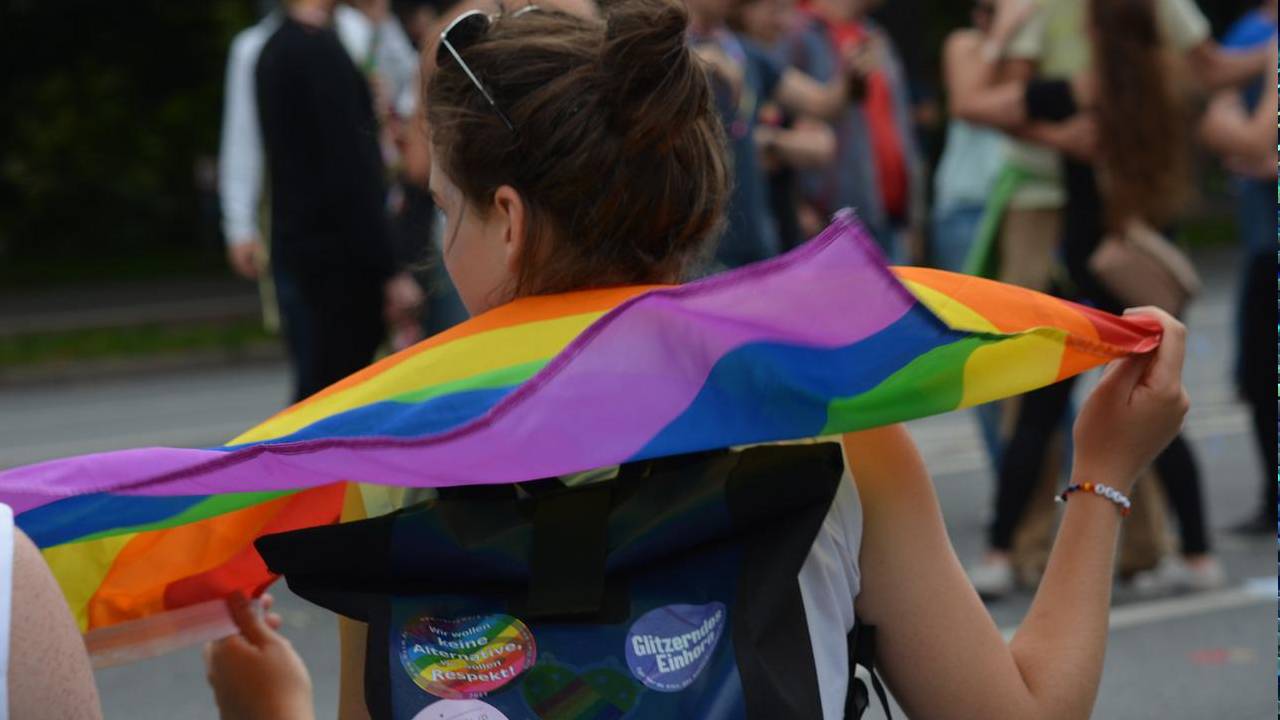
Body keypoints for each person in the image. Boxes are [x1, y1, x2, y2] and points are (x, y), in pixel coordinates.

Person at [205, 1, 1193, 717]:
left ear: (505, 222)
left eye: (442, 210)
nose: (436, 247)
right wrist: (1100, 477)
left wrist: (270, 713)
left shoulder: (389, 468)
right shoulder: (831, 447)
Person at [961, 0, 1225, 595]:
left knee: (1037, 415)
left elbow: (975, 105)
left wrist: (1007, 46)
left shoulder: (1077, 88)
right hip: (1142, 274)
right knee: (1156, 405)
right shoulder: (1165, 88)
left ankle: (1002, 550)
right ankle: (1201, 553)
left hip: (1082, 273)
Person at [255, 0, 424, 401]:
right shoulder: (320, 53)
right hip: (340, 264)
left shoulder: (274, 48)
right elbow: (350, 171)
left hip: (300, 251)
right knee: (340, 398)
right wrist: (390, 269)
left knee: (316, 392)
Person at [685, 0, 864, 269]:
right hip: (693, 249)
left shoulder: (745, 53)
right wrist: (693, 62)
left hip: (755, 242)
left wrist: (851, 76)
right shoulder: (667, 51)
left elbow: (822, 102)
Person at [1199, 28, 1278, 534]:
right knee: (1256, 377)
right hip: (1263, 241)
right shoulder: (1248, 34)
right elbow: (1222, 129)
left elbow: (1251, 139)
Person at [778, 0, 926, 261]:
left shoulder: (875, 35)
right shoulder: (798, 33)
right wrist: (796, 204)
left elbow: (900, 124)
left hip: (888, 219)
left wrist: (913, 217)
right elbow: (778, 118)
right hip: (829, 223)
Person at [728, 0, 838, 252]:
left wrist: (770, 142)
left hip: (778, 227)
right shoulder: (728, 55)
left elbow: (821, 143)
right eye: (773, 9)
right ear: (744, 10)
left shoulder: (772, 67)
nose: (784, 22)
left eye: (787, 10)